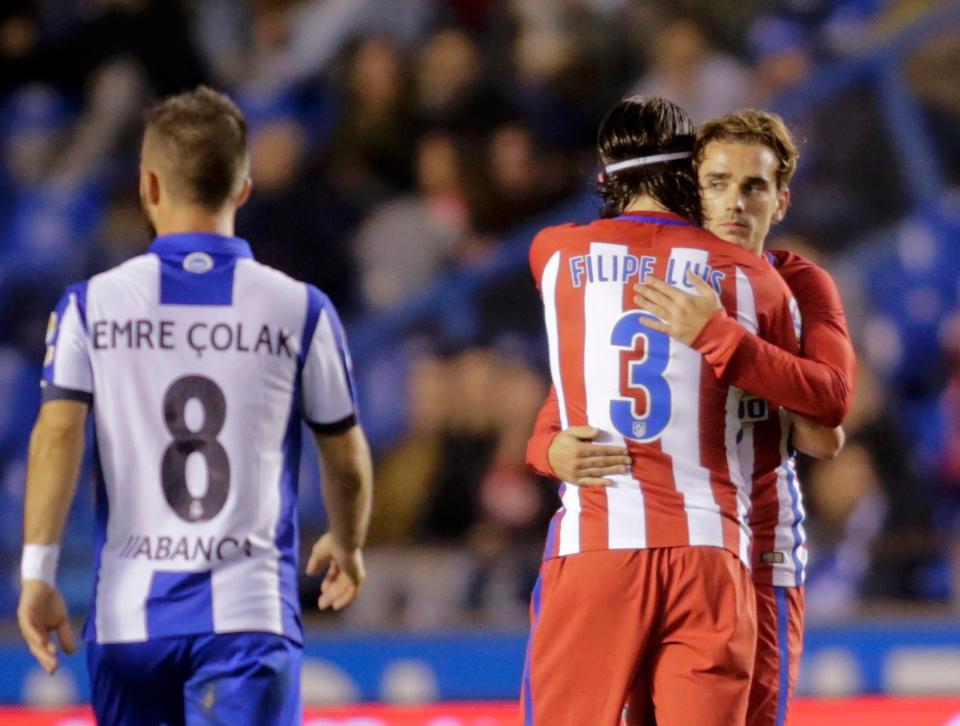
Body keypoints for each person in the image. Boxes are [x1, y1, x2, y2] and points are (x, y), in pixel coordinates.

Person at [16, 86, 373, 726]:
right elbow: (343, 456)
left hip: (128, 624)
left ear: (149, 185)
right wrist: (347, 542)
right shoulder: (300, 307)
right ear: (243, 188)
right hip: (247, 619)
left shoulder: (90, 305)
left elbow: (55, 438)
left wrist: (38, 573)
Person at [528, 109, 857, 726]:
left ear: (780, 201)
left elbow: (828, 417)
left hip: (763, 541)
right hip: (689, 542)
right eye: (717, 182)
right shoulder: (639, 274)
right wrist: (547, 449)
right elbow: (575, 397)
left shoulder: (796, 283)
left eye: (753, 186)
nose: (734, 202)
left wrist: (719, 336)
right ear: (688, 186)